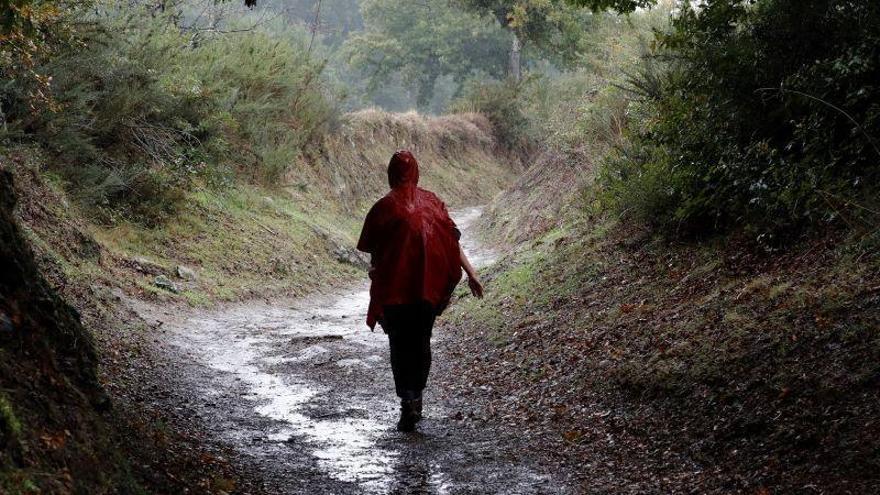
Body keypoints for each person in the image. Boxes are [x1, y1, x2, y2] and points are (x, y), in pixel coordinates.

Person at [357, 150, 484, 432]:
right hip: (427, 291)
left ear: (391, 173)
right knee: (421, 342)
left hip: (395, 294)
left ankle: (408, 401)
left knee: (400, 346)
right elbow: (452, 243)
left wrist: (377, 276)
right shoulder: (433, 203)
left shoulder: (383, 207)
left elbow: (374, 252)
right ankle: (417, 398)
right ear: (416, 172)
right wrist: (471, 274)